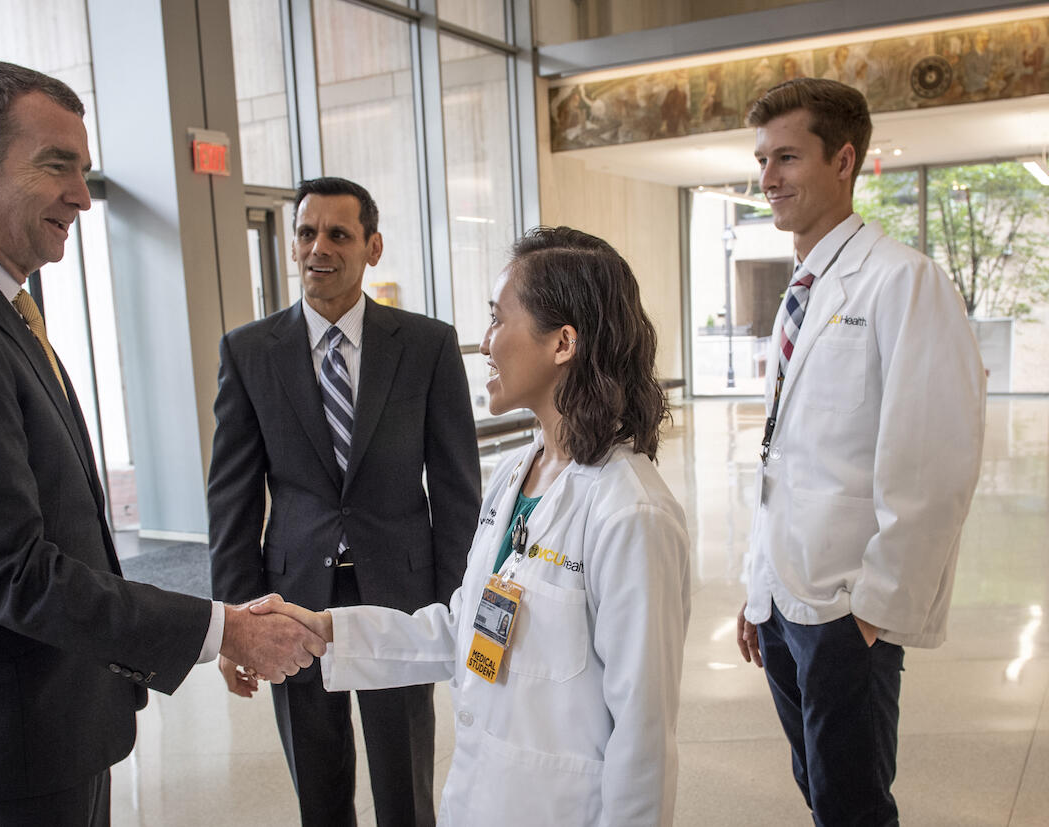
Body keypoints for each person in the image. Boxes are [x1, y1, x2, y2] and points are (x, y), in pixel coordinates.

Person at [0, 59, 324, 825]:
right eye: (55, 165)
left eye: (85, 170)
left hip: (41, 730)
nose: (82, 197)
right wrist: (219, 628)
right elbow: (13, 570)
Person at [254, 226, 692, 825]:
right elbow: (464, 630)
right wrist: (327, 631)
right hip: (480, 799)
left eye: (497, 318)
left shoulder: (630, 512)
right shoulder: (518, 474)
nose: (485, 342)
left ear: (563, 342)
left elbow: (644, 736)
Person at [736, 78, 985, 825]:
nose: (768, 178)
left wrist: (875, 609)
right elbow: (785, 450)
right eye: (761, 160)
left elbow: (935, 455)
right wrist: (757, 586)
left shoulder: (903, 281)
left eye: (786, 157)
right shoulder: (802, 288)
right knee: (818, 785)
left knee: (852, 803)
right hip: (785, 596)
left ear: (843, 160)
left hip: (848, 603)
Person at [207, 176, 481, 825]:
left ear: (372, 246)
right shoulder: (249, 352)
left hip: (401, 594)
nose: (317, 247)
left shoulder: (426, 345)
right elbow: (232, 497)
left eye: (338, 233)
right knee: (318, 783)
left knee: (404, 783)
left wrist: (460, 607)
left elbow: (455, 489)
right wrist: (234, 624)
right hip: (292, 594)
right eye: (306, 232)